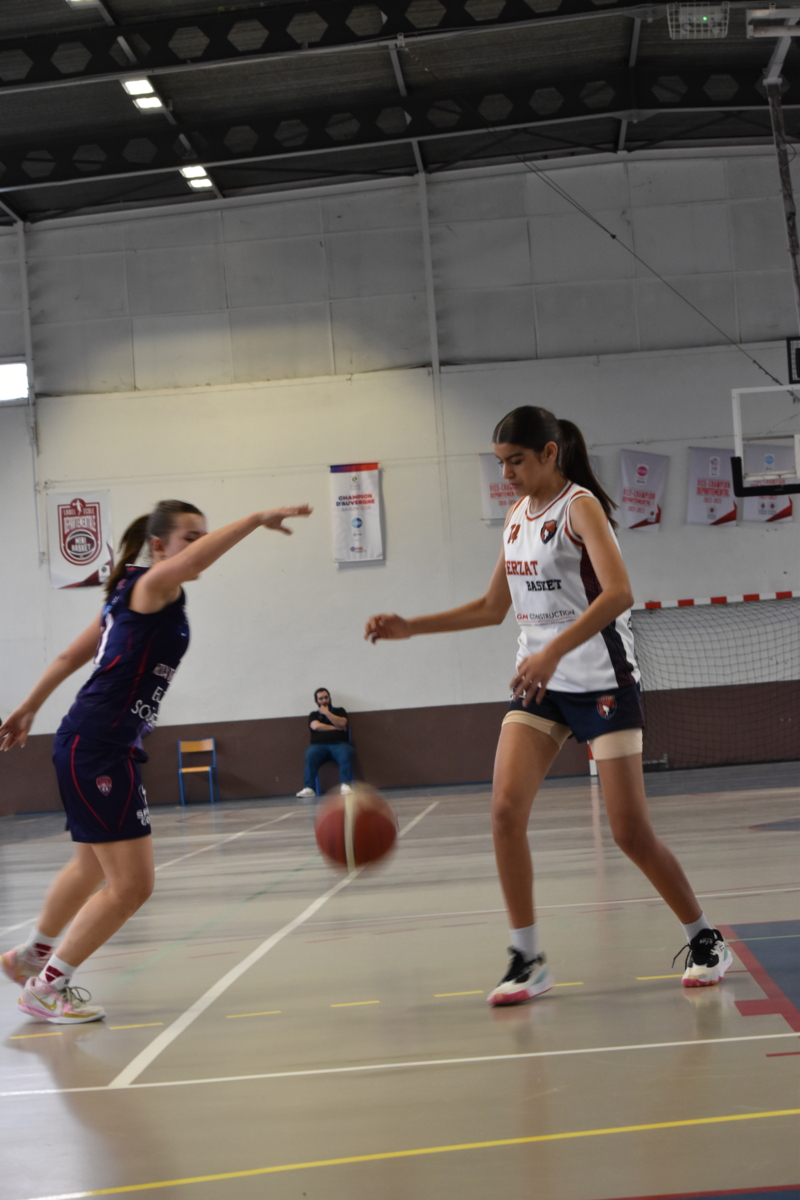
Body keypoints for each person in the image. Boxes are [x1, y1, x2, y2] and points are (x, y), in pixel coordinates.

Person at [365, 406, 732, 1006]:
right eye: (500, 463)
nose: (506, 473)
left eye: (515, 461)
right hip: (540, 686)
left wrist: (553, 651)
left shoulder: (579, 507)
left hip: (601, 680)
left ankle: (705, 937)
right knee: (504, 812)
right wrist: (412, 626)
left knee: (630, 832)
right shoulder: (516, 518)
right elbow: (492, 609)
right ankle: (527, 957)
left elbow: (619, 592)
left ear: (549, 453)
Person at [0, 498, 311, 1024]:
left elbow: (70, 656)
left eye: (202, 535)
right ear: (160, 545)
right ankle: (46, 988)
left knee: (90, 866)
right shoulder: (151, 585)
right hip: (97, 745)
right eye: (191, 536)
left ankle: (31, 956)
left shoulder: (132, 593)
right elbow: (194, 563)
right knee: (132, 886)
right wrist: (256, 520)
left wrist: (30, 706)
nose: (198, 546)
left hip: (92, 741)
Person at [296, 688, 355, 799]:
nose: (324, 700)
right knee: (310, 754)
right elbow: (315, 726)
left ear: (329, 698)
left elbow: (342, 723)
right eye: (321, 699)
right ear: (316, 701)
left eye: (326, 697)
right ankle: (309, 788)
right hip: (318, 746)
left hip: (340, 744)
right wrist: (336, 727)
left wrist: (327, 713)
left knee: (345, 753)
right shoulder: (313, 714)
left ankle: (346, 785)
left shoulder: (340, 711)